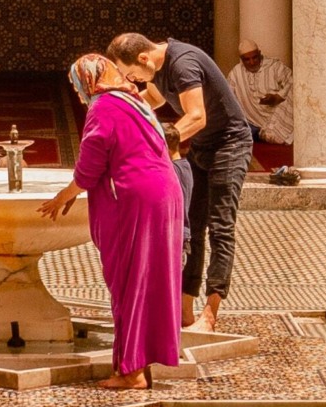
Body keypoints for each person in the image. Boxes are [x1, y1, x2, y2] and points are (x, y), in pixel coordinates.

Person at [39, 53, 186, 389]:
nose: (78, 92)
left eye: (78, 85)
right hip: (163, 194)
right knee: (152, 282)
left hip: (134, 200)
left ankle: (130, 371)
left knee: (130, 283)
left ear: (87, 81)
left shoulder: (103, 106)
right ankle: (142, 364)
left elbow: (92, 161)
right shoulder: (134, 99)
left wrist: (65, 194)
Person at [108, 29, 255, 333]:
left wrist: (153, 143)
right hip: (203, 146)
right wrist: (120, 114)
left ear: (144, 57)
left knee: (221, 226)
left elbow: (196, 116)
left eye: (131, 73)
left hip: (230, 146)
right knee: (191, 226)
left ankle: (210, 315)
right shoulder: (159, 69)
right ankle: (184, 310)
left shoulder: (183, 63)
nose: (133, 79)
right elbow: (151, 98)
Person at [228, 37, 297, 182]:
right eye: (247, 60)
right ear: (241, 60)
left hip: (279, 113)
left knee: (298, 91)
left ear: (260, 54)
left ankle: (263, 134)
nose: (252, 62)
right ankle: (260, 133)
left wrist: (278, 97)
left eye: (255, 57)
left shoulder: (274, 66)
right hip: (253, 120)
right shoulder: (236, 73)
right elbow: (228, 97)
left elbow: (292, 81)